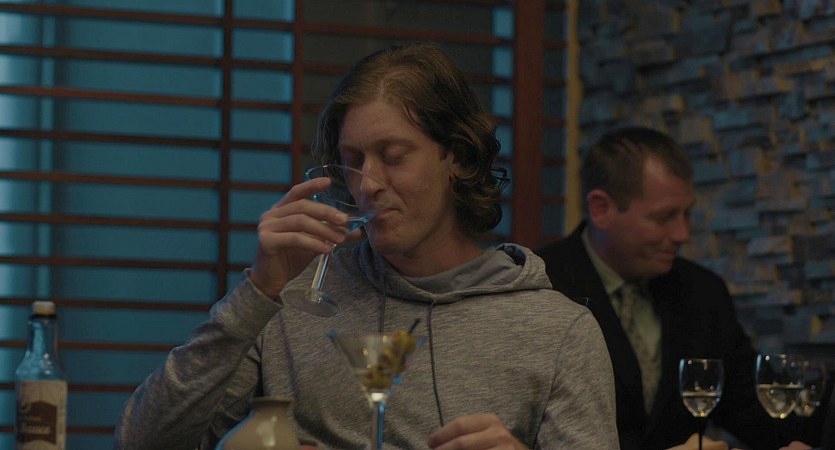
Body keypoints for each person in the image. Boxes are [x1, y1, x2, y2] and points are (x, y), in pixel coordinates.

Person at [114, 42, 619, 450]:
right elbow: (143, 441)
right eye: (352, 161)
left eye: (393, 156)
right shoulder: (291, 303)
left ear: (458, 158)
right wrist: (259, 290)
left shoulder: (558, 331)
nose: (367, 184)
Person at [536, 127, 824, 450]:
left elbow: (752, 409)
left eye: (687, 214)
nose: (682, 234)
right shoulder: (542, 288)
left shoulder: (702, 292)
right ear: (601, 209)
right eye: (665, 217)